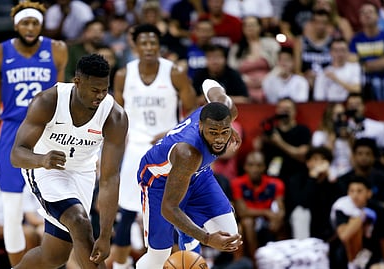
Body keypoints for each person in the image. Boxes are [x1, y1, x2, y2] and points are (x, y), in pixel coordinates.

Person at [7, 54, 128, 269]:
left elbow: (110, 178)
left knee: (54, 256)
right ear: (77, 81)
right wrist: (42, 159)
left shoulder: (114, 116)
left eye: (104, 89)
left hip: (83, 172)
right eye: (94, 90)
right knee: (79, 222)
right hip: (44, 168)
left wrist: (106, 235)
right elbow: (17, 155)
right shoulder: (48, 101)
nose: (100, 96)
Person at [0, 1, 67, 266]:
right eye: (25, 23)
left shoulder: (56, 49)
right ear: (16, 25)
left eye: (35, 23)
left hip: (46, 130)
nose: (30, 28)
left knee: (55, 206)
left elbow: (63, 96)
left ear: (41, 25)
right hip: (11, 131)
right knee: (11, 210)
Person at [111, 23, 197, 269]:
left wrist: (173, 131)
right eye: (144, 43)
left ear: (159, 45)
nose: (149, 47)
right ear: (135, 46)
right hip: (135, 147)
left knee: (172, 212)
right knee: (127, 212)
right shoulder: (123, 74)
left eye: (153, 42)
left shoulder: (174, 72)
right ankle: (120, 265)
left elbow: (192, 112)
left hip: (167, 147)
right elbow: (117, 117)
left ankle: (176, 264)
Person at [135, 79, 243, 269]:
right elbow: (168, 208)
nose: (219, 139)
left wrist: (228, 128)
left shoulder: (227, 109)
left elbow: (209, 83)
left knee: (230, 236)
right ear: (200, 126)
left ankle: (187, 230)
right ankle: (186, 233)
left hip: (197, 175)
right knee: (158, 258)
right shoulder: (188, 153)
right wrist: (207, 238)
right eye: (213, 133)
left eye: (224, 132)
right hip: (158, 180)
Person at [230, 151, 285, 262]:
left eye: (259, 165)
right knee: (247, 222)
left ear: (264, 167)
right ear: (245, 167)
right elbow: (242, 212)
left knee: (282, 224)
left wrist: (277, 218)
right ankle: (256, 262)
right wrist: (266, 212)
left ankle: (282, 261)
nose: (255, 169)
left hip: (268, 221)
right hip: (250, 222)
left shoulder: (276, 184)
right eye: (251, 165)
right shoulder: (237, 183)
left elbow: (281, 209)